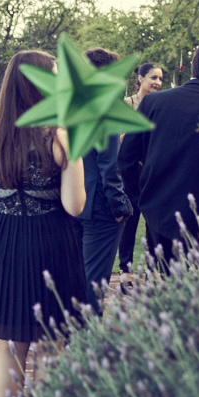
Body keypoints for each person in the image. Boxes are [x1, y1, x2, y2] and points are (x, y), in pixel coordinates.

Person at [0, 50, 87, 397]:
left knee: (11, 343)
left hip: (5, 243)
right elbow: (74, 205)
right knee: (52, 343)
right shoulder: (58, 133)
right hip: (50, 243)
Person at [119, 43, 199, 272]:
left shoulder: (153, 102)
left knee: (158, 286)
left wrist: (142, 196)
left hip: (156, 212)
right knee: (197, 292)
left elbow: (126, 158)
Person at [75, 48, 132, 314]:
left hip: (73, 200)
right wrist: (120, 207)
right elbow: (108, 165)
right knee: (95, 279)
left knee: (75, 272)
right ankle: (87, 339)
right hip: (100, 204)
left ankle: (69, 332)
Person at [117, 62, 162, 288]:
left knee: (154, 220)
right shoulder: (127, 104)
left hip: (152, 170)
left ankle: (154, 271)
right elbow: (118, 139)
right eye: (153, 77)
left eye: (160, 79)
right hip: (129, 171)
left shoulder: (160, 105)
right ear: (141, 79)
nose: (157, 82)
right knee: (130, 219)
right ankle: (125, 271)